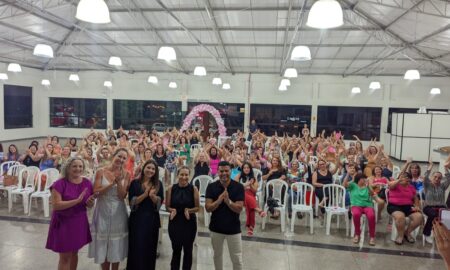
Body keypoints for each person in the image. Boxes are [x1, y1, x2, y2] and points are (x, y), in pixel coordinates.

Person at [45, 157, 96, 270]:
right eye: (74, 166)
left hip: (79, 222)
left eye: (80, 166)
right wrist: (76, 201)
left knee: (74, 254)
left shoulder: (87, 183)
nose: (78, 169)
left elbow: (89, 205)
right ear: (68, 168)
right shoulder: (59, 184)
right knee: (65, 257)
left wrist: (90, 203)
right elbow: (56, 205)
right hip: (64, 223)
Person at [89, 148, 130, 270]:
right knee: (103, 244)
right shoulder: (101, 171)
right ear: (114, 155)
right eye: (119, 156)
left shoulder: (127, 174)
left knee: (116, 244)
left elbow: (122, 196)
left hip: (119, 211)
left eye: (124, 158)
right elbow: (96, 192)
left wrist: (119, 182)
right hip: (102, 209)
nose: (121, 160)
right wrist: (112, 183)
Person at [205, 161, 244, 270]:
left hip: (233, 229)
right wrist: (219, 200)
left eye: (226, 171)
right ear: (217, 172)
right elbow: (208, 208)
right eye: (221, 171)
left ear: (230, 171)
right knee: (217, 256)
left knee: (237, 258)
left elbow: (239, 209)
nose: (224, 173)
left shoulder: (238, 187)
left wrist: (228, 202)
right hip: (216, 228)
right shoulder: (212, 187)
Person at [127, 160, 164, 270]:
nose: (150, 170)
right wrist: (145, 194)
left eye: (153, 169)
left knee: (150, 249)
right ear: (143, 168)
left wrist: (153, 197)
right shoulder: (135, 183)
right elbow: (132, 203)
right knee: (136, 248)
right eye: (148, 168)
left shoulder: (158, 184)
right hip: (137, 220)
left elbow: (159, 204)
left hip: (152, 221)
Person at [166, 166, 200, 270]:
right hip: (175, 222)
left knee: (188, 251)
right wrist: (172, 210)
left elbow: (197, 207)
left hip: (189, 223)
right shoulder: (171, 188)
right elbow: (167, 206)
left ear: (189, 176)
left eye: (186, 175)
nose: (184, 177)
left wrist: (189, 210)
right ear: (177, 175)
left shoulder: (193, 189)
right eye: (182, 174)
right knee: (176, 250)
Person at [387, 172, 424, 245]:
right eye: (403, 177)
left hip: (408, 206)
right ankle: (400, 236)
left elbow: (415, 198)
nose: (405, 178)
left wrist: (416, 206)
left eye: (407, 177)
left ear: (409, 179)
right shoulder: (395, 184)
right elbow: (390, 186)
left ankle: (407, 233)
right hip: (394, 206)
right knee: (400, 217)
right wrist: (399, 180)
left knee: (419, 217)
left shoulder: (411, 187)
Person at [343, 173, 376, 246]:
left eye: (365, 178)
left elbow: (372, 194)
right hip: (356, 205)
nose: (365, 180)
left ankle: (372, 237)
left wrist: (368, 186)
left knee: (371, 216)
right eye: (363, 178)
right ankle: (357, 234)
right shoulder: (353, 185)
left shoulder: (367, 186)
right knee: (356, 214)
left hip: (367, 205)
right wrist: (348, 174)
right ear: (359, 179)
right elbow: (344, 184)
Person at [422, 158, 450, 244]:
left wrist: (446, 167)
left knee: (447, 216)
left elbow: (449, 177)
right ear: (432, 177)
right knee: (434, 214)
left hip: (441, 207)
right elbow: (425, 176)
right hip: (428, 207)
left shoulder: (442, 186)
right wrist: (431, 165)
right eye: (435, 177)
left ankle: (445, 234)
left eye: (439, 178)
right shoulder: (427, 185)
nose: (437, 179)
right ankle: (427, 233)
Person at [235, 162, 266, 236]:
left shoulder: (253, 178)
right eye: (244, 168)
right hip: (240, 195)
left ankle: (251, 226)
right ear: (242, 169)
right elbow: (235, 187)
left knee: (249, 204)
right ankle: (257, 212)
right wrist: (246, 185)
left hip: (250, 194)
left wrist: (251, 184)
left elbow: (255, 190)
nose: (246, 169)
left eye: (248, 168)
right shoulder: (239, 176)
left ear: (250, 169)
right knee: (244, 194)